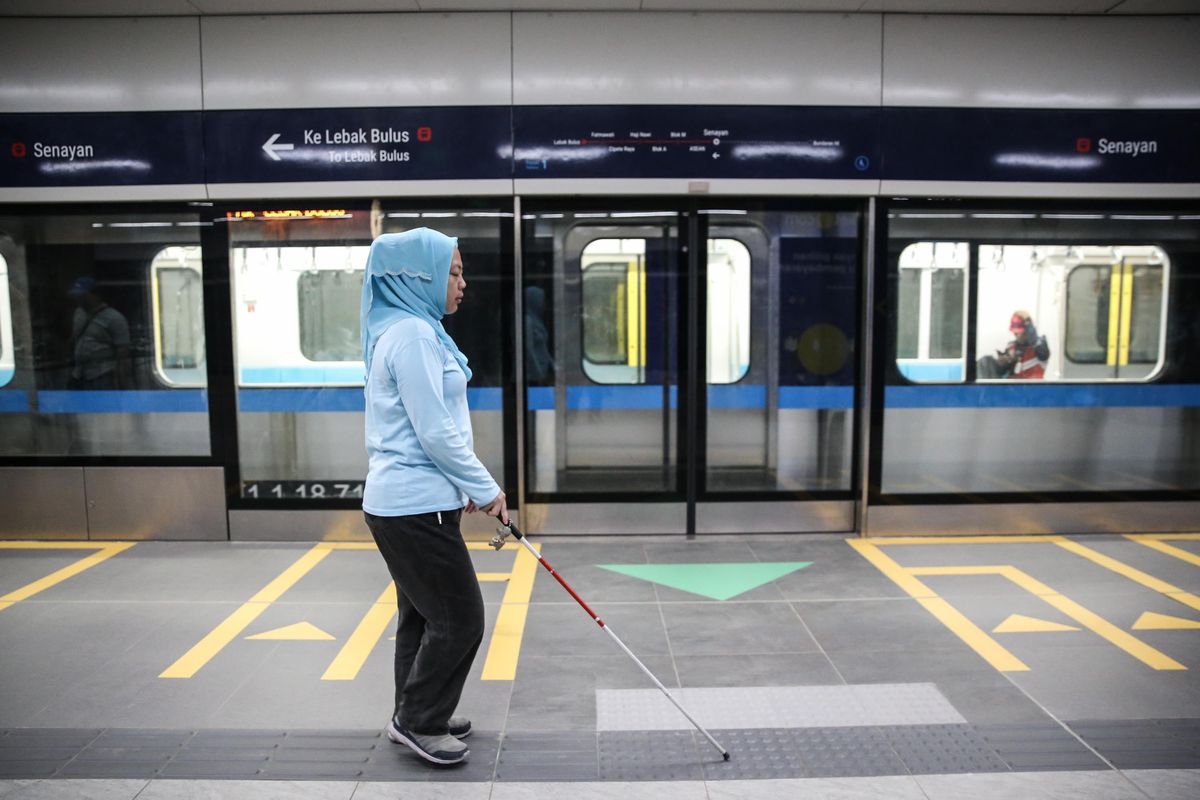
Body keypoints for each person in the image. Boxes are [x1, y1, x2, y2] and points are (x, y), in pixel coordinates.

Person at [359, 227, 508, 767]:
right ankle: (419, 719)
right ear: (417, 277)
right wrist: (485, 488)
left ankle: (419, 709)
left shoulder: (412, 330)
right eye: (453, 271)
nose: (463, 283)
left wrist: (457, 487)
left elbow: (434, 429)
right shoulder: (413, 337)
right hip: (411, 506)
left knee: (423, 617)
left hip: (415, 501)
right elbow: (435, 431)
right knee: (461, 618)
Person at [68, 277, 133, 390]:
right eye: (77, 296)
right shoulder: (78, 314)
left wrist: (122, 383)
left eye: (83, 295)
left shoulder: (114, 318)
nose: (79, 299)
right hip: (78, 374)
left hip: (101, 375)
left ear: (94, 295)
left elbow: (122, 352)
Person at [977, 309, 1050, 380]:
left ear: (1027, 330)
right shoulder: (1011, 347)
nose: (1017, 336)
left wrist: (1028, 323)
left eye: (1020, 332)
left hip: (1031, 388)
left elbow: (1043, 353)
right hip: (1011, 388)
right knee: (985, 361)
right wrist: (1004, 363)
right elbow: (1001, 373)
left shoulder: (1039, 345)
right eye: (1015, 333)